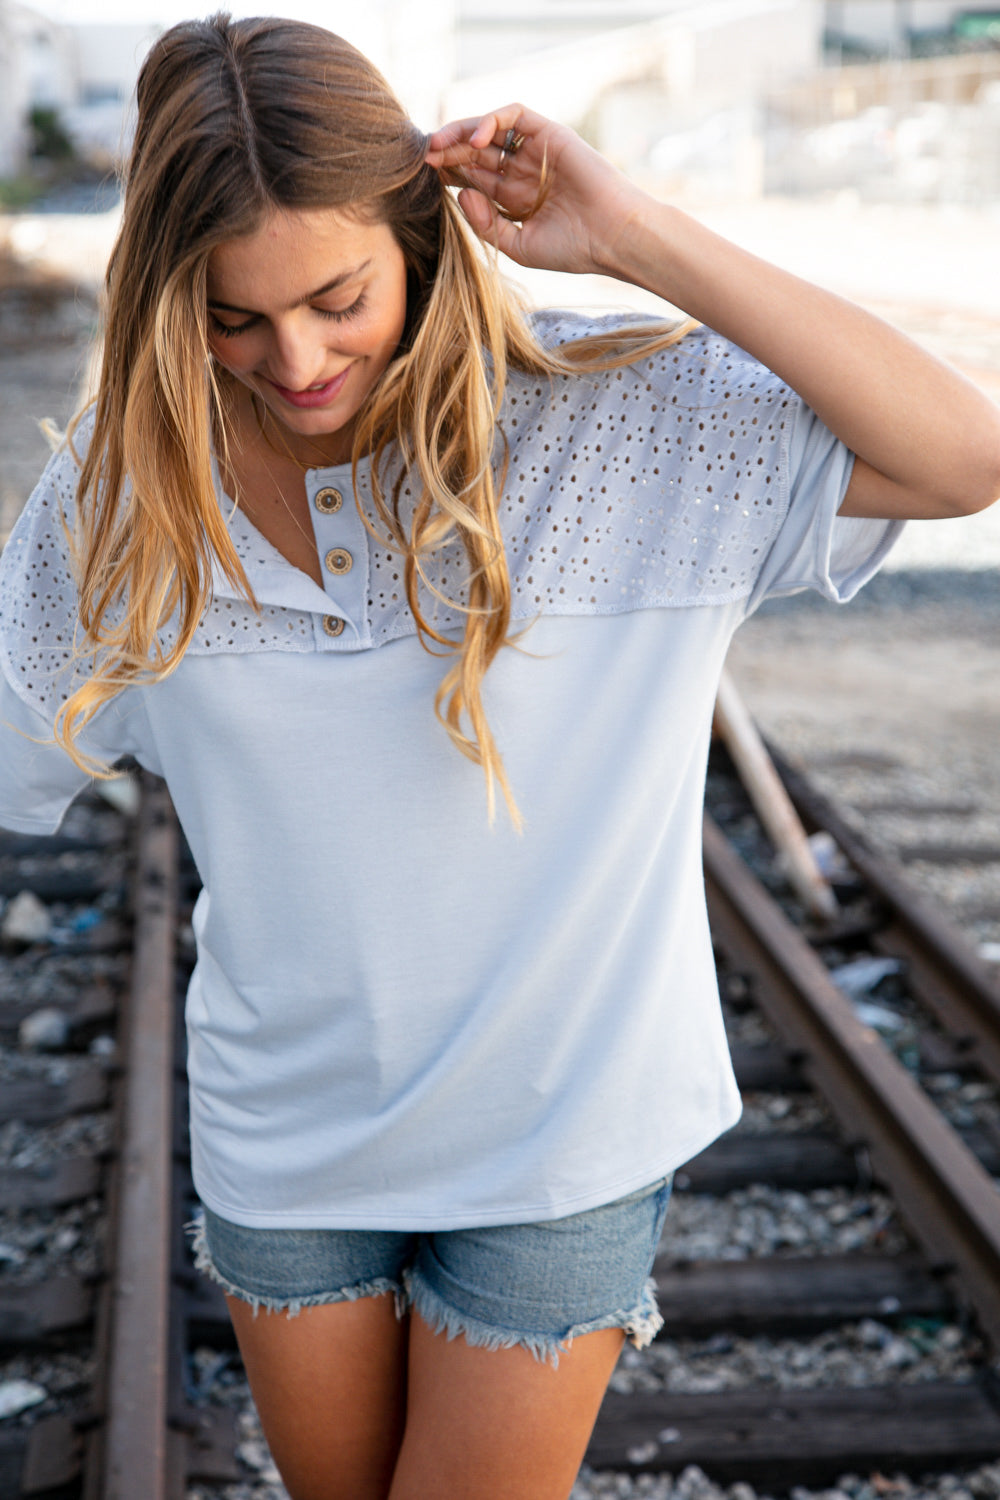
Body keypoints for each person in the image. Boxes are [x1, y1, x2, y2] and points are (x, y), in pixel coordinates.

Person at [1, 13, 998, 1500]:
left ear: (421, 235)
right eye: (233, 319)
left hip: (563, 1143)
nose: (297, 360)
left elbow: (961, 456)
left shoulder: (623, 420)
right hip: (291, 1148)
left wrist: (633, 236)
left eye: (339, 297)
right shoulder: (125, 495)